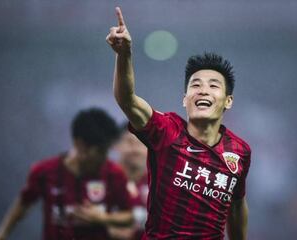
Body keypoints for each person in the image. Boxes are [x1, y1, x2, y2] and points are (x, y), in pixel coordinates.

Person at [106, 7, 251, 240]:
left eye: (213, 85)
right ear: (185, 98)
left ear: (228, 101)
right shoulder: (166, 131)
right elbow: (127, 100)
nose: (203, 89)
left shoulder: (239, 151)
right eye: (195, 85)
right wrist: (124, 55)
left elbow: (236, 204)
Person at [0, 108, 133, 240]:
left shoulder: (114, 173)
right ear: (79, 145)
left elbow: (128, 217)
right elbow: (23, 204)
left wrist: (103, 218)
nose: (105, 157)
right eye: (100, 152)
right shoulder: (45, 171)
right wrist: (1, 234)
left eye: (107, 151)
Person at [108, 123, 148, 240]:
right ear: (116, 145)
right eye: (130, 142)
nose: (135, 149)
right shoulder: (103, 180)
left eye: (141, 143)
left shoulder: (161, 183)